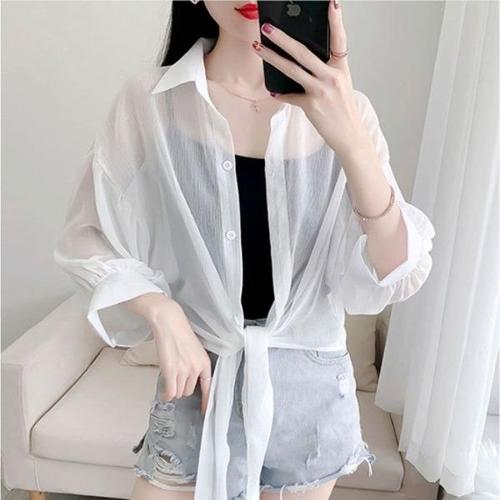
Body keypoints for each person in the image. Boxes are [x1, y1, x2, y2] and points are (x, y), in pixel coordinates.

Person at [53, 1, 436, 499]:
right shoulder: (150, 101)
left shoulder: (351, 111)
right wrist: (161, 310)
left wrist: (351, 141)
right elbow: (86, 236)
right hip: (198, 383)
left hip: (311, 394)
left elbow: (397, 272)